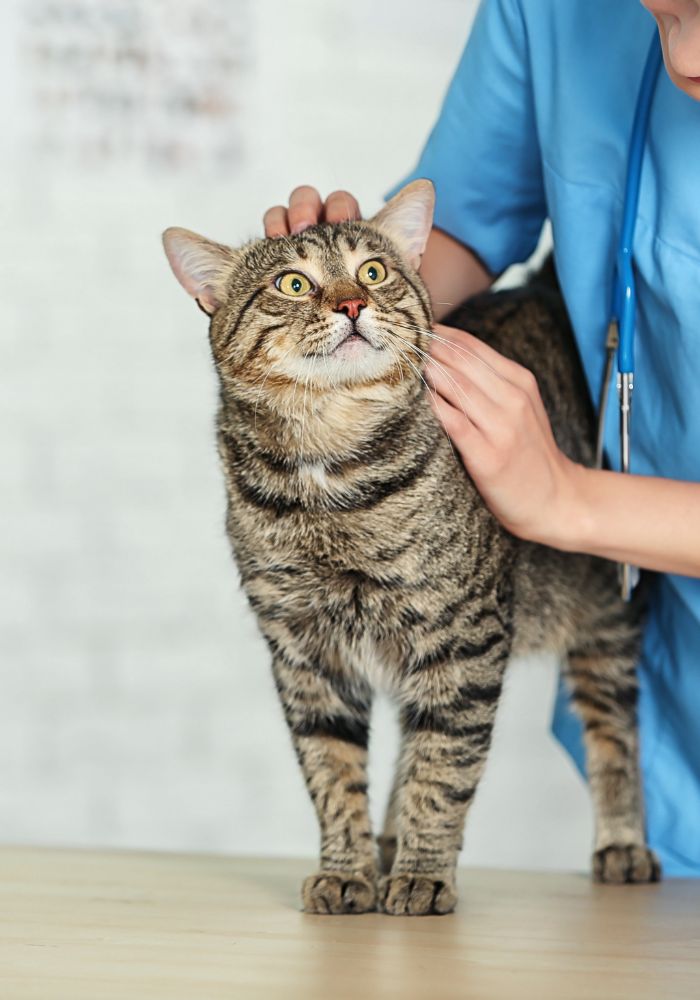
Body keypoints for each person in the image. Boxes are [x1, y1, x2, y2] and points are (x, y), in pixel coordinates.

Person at [262, 0, 700, 876]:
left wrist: (569, 499)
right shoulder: (549, 9)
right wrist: (362, 286)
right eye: (660, 16)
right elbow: (460, 223)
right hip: (678, 721)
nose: (686, 57)